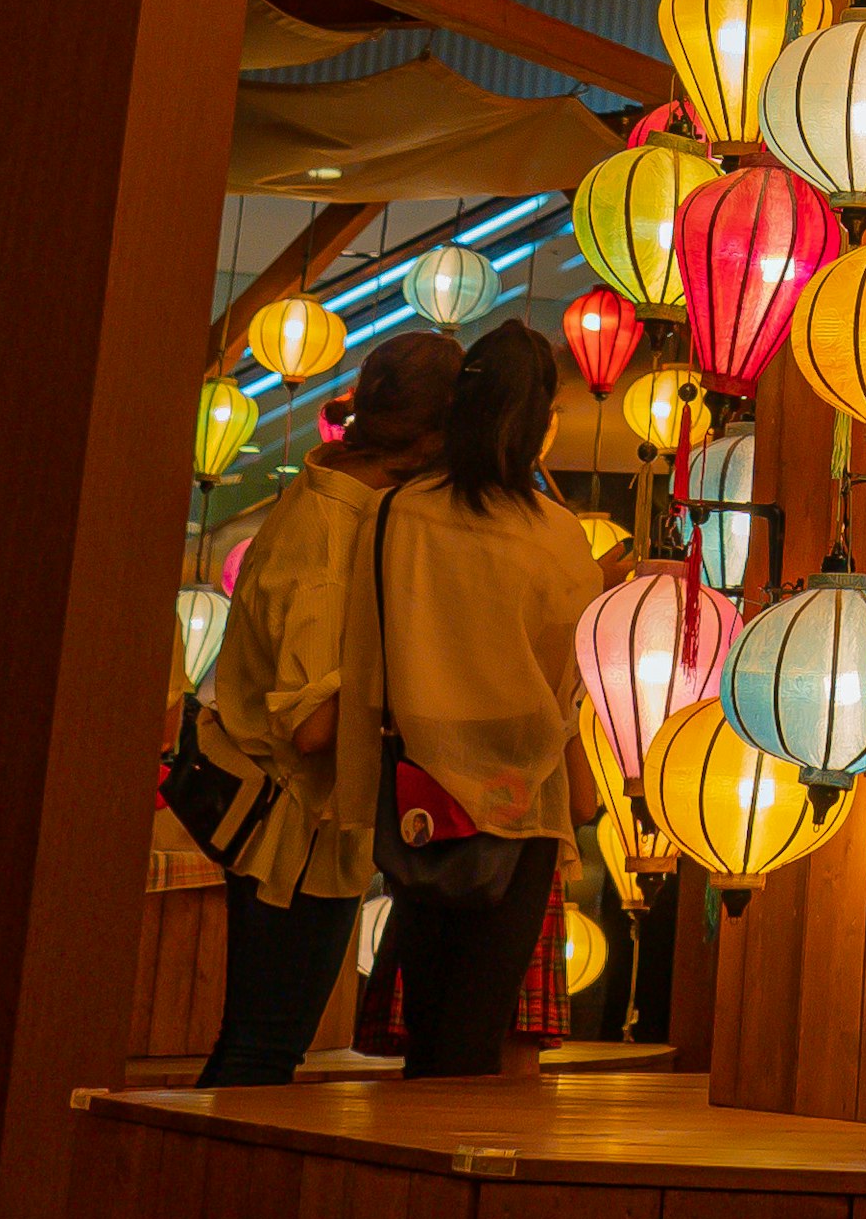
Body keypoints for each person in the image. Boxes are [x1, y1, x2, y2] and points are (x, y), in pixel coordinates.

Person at [168, 326, 461, 1090]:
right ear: (430, 442)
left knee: (262, 1040)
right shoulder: (329, 545)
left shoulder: (331, 487)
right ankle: (207, 1191)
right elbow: (313, 726)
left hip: (299, 826)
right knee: (264, 1046)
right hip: (289, 831)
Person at [332, 323, 600, 1082]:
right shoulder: (554, 534)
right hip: (521, 801)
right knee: (481, 1022)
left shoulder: (397, 512)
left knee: (428, 1019)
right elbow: (568, 678)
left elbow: (367, 653)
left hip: (422, 791)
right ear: (540, 419)